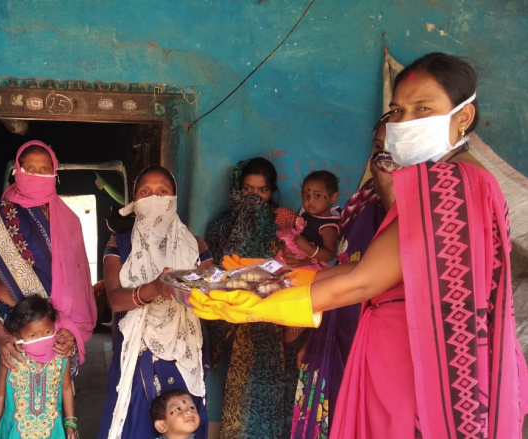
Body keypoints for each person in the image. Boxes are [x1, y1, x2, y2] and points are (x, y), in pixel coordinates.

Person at [191, 52, 528, 438]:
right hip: (401, 352)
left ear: (463, 116)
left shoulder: (452, 184)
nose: (404, 123)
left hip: (417, 362)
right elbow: (371, 266)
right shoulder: (444, 184)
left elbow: (364, 280)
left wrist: (257, 303)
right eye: (398, 110)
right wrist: (272, 275)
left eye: (424, 109)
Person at [0, 140, 97, 429]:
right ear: (17, 171)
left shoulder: (70, 222)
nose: (36, 174)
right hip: (10, 326)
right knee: (5, 410)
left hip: (53, 331)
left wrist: (71, 331)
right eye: (29, 169)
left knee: (48, 414)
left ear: (55, 174)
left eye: (44, 169)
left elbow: (78, 286)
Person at [290, 115, 390, 439]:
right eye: (378, 147)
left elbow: (360, 276)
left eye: (397, 146)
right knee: (327, 408)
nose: (383, 157)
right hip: (337, 319)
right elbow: (347, 268)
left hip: (372, 332)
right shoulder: (364, 203)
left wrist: (284, 299)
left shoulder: (412, 212)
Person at [97, 166, 212, 439]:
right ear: (135, 201)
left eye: (163, 192)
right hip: (139, 349)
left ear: (174, 198)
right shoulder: (120, 243)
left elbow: (209, 293)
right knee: (136, 415)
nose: (154, 198)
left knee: (186, 418)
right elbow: (115, 300)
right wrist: (157, 288)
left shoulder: (195, 245)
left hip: (185, 347)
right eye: (145, 192)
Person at [204, 157, 301, 439]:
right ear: (236, 189)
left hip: (279, 324)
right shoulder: (221, 226)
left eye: (262, 191)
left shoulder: (285, 225)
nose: (254, 197)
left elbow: (302, 269)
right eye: (247, 190)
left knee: (279, 394)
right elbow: (214, 277)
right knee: (242, 396)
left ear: (272, 191)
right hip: (239, 325)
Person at [0, 296, 76, 439]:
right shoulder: (11, 356)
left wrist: (71, 424)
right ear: (17, 334)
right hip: (14, 432)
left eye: (47, 332)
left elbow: (66, 388)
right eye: (32, 335)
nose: (41, 338)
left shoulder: (62, 356)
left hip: (52, 432)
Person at [278, 170, 341, 268]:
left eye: (317, 195)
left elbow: (330, 255)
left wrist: (308, 248)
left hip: (310, 265)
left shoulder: (328, 227)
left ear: (333, 197)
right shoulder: (308, 214)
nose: (310, 201)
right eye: (306, 196)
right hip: (296, 256)